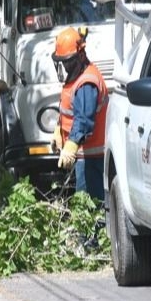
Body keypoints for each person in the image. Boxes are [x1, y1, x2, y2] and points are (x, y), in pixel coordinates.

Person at [50, 26, 108, 202]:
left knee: (88, 210)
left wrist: (72, 143)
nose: (65, 66)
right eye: (62, 62)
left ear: (80, 56)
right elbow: (71, 110)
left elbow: (83, 119)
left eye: (67, 61)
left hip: (92, 158)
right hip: (85, 157)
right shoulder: (78, 76)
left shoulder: (86, 83)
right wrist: (59, 130)